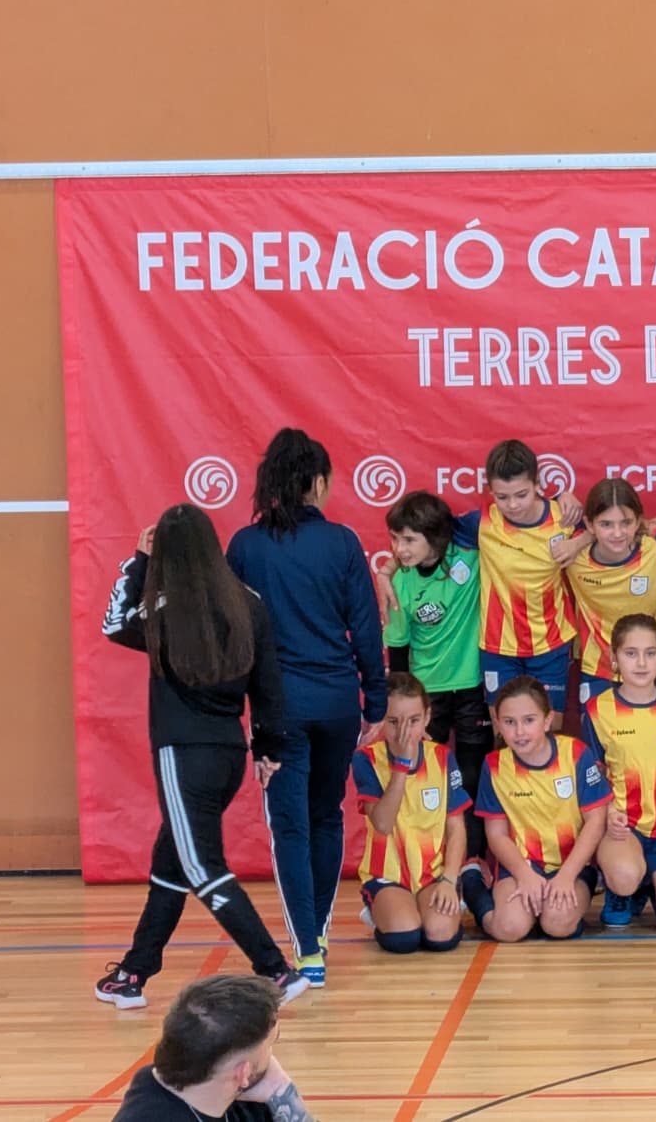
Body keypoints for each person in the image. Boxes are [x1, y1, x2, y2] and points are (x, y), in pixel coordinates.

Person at [96, 505, 307, 1010]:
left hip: (182, 756)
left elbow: (113, 623)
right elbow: (269, 687)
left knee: (201, 867)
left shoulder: (164, 608)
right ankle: (133, 973)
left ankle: (275, 970)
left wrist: (139, 560)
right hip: (229, 756)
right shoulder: (248, 603)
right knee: (171, 865)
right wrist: (269, 747)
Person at [226, 428, 387, 986]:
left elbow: (233, 635)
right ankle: (314, 934)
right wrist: (378, 699)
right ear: (317, 482)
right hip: (340, 701)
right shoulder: (343, 542)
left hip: (280, 708)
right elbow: (366, 627)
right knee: (325, 816)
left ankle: (309, 952)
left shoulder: (246, 547)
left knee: (291, 827)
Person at [378, 490, 491, 863]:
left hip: (473, 688)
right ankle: (426, 861)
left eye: (409, 539)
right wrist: (405, 710)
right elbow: (397, 653)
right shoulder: (400, 584)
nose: (400, 548)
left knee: (473, 777)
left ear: (435, 536)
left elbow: (514, 522)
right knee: (426, 778)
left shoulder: (472, 558)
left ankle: (473, 862)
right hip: (429, 698)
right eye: (395, 538)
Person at [462, 676, 611, 941]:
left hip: (571, 865)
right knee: (510, 929)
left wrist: (566, 876)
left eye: (529, 720)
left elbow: (596, 821)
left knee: (557, 924)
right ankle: (473, 882)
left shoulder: (576, 753)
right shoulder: (495, 765)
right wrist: (524, 875)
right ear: (497, 724)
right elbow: (496, 835)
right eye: (509, 722)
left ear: (547, 720)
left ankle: (557, 909)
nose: (519, 732)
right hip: (522, 863)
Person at [583, 614, 656, 931]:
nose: (641, 662)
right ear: (614, 658)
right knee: (624, 876)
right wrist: (607, 811)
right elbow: (591, 776)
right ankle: (620, 889)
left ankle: (649, 884)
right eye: (630, 653)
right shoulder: (597, 709)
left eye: (650, 653)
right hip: (624, 828)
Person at [451, 440, 581, 716]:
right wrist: (388, 570)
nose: (512, 505)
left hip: (551, 643)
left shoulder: (564, 517)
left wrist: (580, 542)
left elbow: (616, 527)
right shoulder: (482, 523)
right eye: (502, 496)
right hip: (498, 647)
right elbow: (425, 535)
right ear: (490, 491)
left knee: (548, 729)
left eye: (521, 494)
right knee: (506, 733)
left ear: (537, 484)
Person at [350, 673, 468, 955]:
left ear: (427, 717)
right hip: (387, 874)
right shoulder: (366, 759)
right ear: (381, 720)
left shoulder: (441, 757)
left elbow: (457, 829)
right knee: (403, 939)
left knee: (440, 938)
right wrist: (401, 766)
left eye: (414, 721)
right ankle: (378, 908)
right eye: (393, 722)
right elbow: (382, 822)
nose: (404, 731)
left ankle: (446, 901)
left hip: (431, 874)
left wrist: (450, 880)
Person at [113, 973, 315, 1121]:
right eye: (271, 1045)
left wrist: (281, 1090)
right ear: (242, 1073)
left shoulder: (245, 1100)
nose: (273, 1061)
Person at [566, 478, 656, 706]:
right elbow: (526, 509)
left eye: (626, 522)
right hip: (597, 667)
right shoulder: (572, 554)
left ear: (638, 521)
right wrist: (561, 495)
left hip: (650, 665)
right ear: (589, 524)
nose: (617, 533)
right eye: (606, 524)